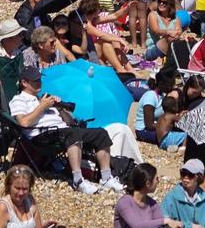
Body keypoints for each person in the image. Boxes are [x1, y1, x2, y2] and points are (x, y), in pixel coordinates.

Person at [10, 64, 123, 194]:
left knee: (100, 133)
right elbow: (24, 122)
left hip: (62, 130)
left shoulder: (44, 99)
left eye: (39, 79)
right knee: (72, 135)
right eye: (35, 80)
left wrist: (60, 108)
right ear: (24, 82)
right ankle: (78, 180)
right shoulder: (18, 100)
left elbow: (70, 122)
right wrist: (42, 107)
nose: (39, 83)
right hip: (42, 135)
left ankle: (106, 177)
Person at [113, 163, 191, 228]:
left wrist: (170, 224)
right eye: (156, 179)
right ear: (148, 183)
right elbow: (137, 226)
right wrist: (165, 221)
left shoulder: (152, 203)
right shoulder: (125, 202)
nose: (158, 182)